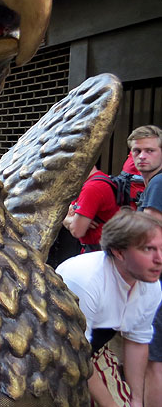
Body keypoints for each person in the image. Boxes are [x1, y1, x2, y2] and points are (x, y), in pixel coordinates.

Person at [56, 210, 162, 407]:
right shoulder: (85, 280)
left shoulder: (151, 285)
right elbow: (76, 356)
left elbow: (136, 341)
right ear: (119, 252)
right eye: (148, 249)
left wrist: (136, 400)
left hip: (92, 351)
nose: (159, 259)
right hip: (55, 356)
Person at [128, 125, 162, 407]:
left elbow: (147, 233)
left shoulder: (158, 184)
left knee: (154, 360)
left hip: (157, 281)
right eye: (136, 151)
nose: (142, 157)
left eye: (149, 150)